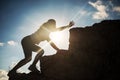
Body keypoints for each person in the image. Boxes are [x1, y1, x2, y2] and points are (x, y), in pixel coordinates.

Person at [8, 19, 74, 76]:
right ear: (50, 25)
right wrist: (58, 50)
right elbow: (51, 42)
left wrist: (67, 26)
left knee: (28, 58)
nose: (54, 27)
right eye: (53, 25)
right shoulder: (44, 30)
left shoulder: (46, 30)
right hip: (27, 41)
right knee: (40, 51)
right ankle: (32, 66)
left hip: (26, 41)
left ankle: (13, 71)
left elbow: (58, 29)